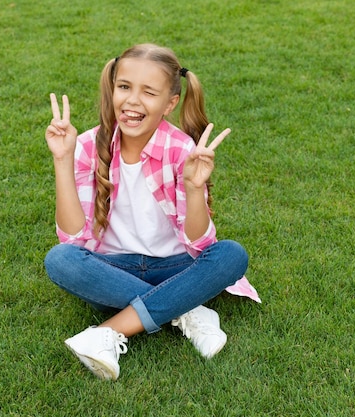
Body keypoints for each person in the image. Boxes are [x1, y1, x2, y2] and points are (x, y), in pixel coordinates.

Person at [44, 43, 251, 381]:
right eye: (124, 87)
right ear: (112, 89)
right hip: (114, 267)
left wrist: (195, 188)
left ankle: (109, 330)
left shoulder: (181, 149)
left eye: (148, 93)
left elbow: (200, 244)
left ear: (170, 103)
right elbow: (72, 238)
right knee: (59, 260)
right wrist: (62, 160)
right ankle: (183, 307)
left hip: (174, 266)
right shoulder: (86, 145)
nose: (132, 101)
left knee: (231, 256)